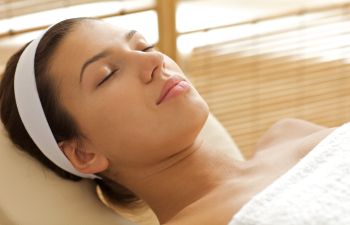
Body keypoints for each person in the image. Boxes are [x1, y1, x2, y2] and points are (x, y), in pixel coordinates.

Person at [0, 17, 342, 225]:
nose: (153, 62)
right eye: (107, 75)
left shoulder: (290, 135)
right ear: (83, 153)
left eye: (145, 46)